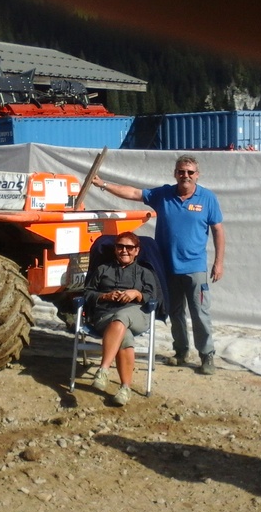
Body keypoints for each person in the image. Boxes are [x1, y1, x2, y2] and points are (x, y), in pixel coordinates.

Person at [92, 154, 225, 375]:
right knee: (174, 312)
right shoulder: (163, 194)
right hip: (167, 268)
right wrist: (103, 184)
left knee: (200, 313)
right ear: (175, 173)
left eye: (190, 172)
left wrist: (218, 263)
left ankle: (206, 355)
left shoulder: (207, 198)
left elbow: (218, 230)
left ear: (197, 175)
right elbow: (134, 193)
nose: (186, 176)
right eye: (181, 171)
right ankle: (181, 352)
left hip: (195, 268)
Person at [83, 231, 158, 406]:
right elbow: (87, 293)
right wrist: (106, 296)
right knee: (124, 333)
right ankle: (125, 389)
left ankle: (103, 370)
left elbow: (152, 296)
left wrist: (136, 293)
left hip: (137, 315)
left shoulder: (144, 273)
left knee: (122, 316)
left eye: (129, 247)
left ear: (137, 251)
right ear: (115, 249)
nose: (124, 250)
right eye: (120, 246)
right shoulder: (103, 269)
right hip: (105, 315)